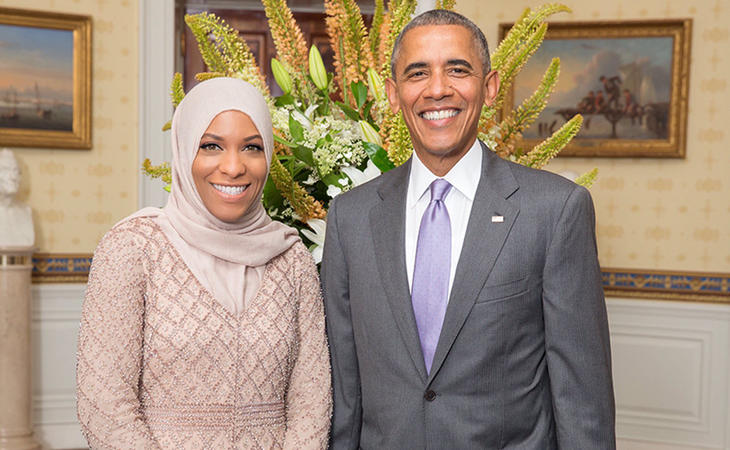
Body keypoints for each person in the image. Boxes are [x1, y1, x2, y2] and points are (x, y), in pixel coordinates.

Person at [321, 10, 615, 449]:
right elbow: (345, 391)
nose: (437, 89)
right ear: (393, 94)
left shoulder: (554, 210)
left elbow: (581, 398)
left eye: (457, 70)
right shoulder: (350, 217)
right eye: (417, 73)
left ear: (490, 86)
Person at [76, 77, 331, 449]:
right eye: (211, 146)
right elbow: (104, 404)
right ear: (184, 150)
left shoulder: (292, 258)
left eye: (252, 147)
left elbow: (312, 399)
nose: (233, 166)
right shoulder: (132, 249)